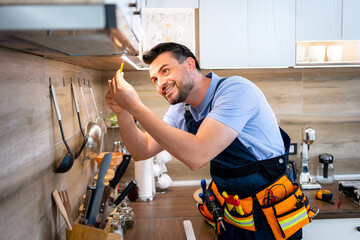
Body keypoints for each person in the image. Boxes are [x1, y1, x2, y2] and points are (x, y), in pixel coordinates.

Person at [105, 42, 301, 239]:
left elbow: (197, 154)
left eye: (165, 71)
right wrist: (123, 112)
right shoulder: (181, 110)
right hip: (235, 216)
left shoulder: (235, 91)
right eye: (155, 79)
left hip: (272, 217)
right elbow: (142, 150)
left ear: (190, 65)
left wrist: (136, 106)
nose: (160, 83)